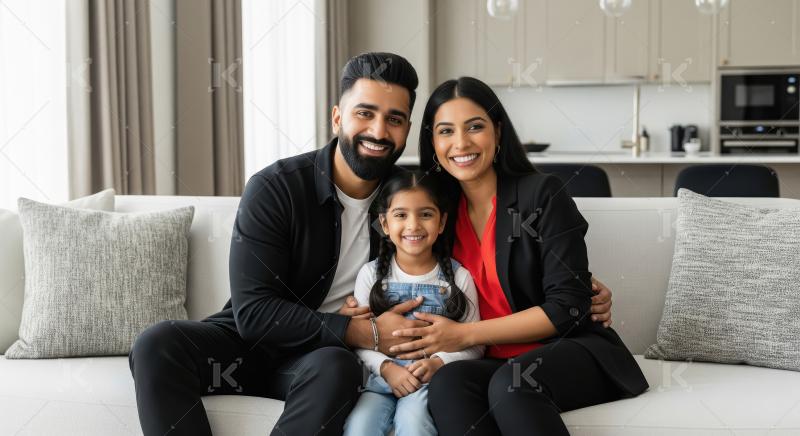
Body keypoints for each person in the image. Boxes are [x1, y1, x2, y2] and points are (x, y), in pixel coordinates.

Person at [128, 51, 615, 436]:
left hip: (323, 362)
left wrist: (578, 288)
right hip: (260, 345)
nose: (379, 131)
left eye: (396, 119)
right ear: (338, 117)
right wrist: (364, 333)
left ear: (407, 131)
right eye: (366, 114)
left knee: (334, 368)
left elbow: (510, 259)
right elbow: (253, 314)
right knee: (157, 344)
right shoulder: (278, 187)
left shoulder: (416, 199)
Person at [387, 76, 649, 436]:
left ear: (497, 131)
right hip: (491, 360)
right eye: (445, 131)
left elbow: (567, 308)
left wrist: (465, 334)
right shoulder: (436, 214)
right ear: (432, 142)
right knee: (450, 383)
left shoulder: (541, 194)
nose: (461, 143)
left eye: (474, 127)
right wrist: (352, 310)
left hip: (565, 350)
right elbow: (395, 266)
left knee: (513, 385)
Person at [343, 171, 483, 436]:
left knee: (415, 424)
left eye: (426, 214)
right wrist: (387, 368)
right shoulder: (370, 275)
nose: (413, 225)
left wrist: (439, 363)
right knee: (358, 427)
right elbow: (358, 340)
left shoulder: (459, 277)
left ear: (442, 222)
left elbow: (475, 343)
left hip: (427, 382)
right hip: (380, 380)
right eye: (401, 215)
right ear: (384, 224)